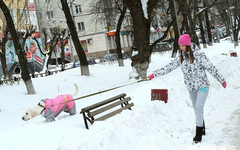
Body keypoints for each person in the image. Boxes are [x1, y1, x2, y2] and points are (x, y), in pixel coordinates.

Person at [148, 34, 227, 143]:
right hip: (191, 88)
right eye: (180, 46)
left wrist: (221, 80)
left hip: (203, 86)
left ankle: (198, 133)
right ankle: (202, 125)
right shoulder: (181, 57)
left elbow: (210, 67)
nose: (181, 48)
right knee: (196, 108)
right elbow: (169, 67)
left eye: (183, 46)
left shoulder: (199, 55)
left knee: (199, 107)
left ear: (188, 45)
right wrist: (154, 74)